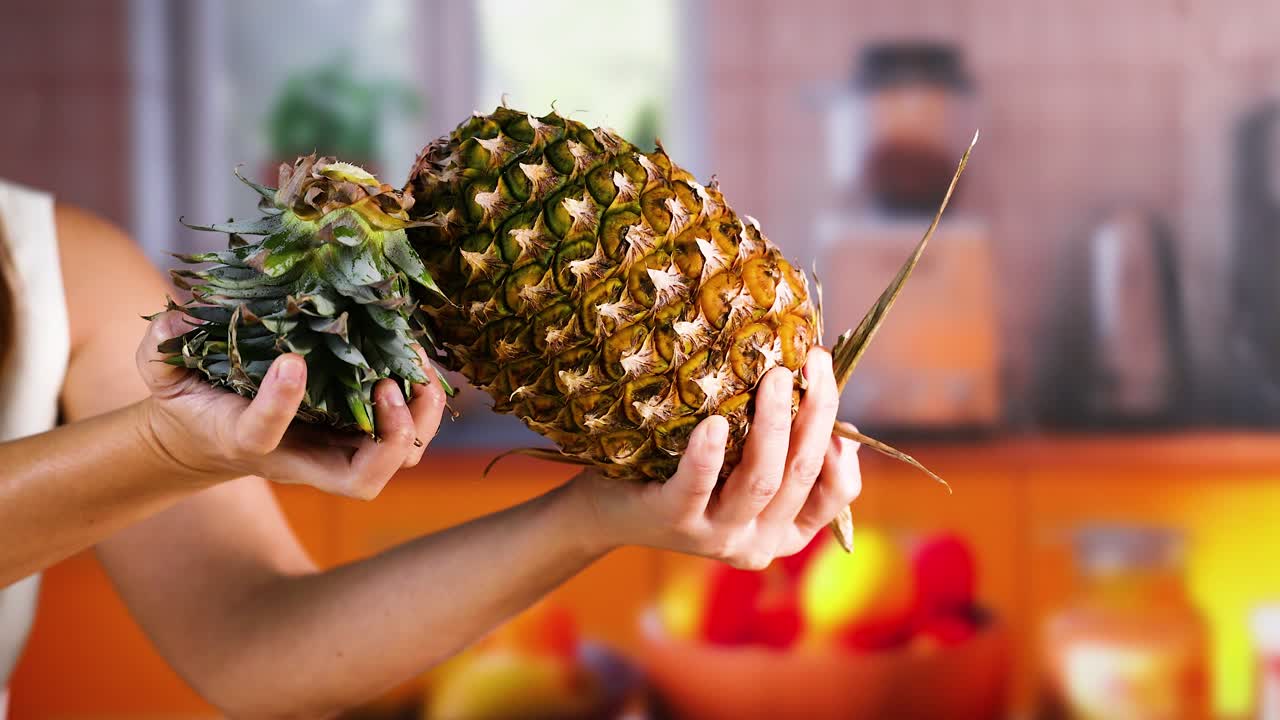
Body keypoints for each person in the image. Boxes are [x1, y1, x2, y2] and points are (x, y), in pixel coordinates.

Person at [0, 177, 861, 718]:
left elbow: (254, 648)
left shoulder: (71, 268)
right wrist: (170, 448)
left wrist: (593, 518)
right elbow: (174, 449)